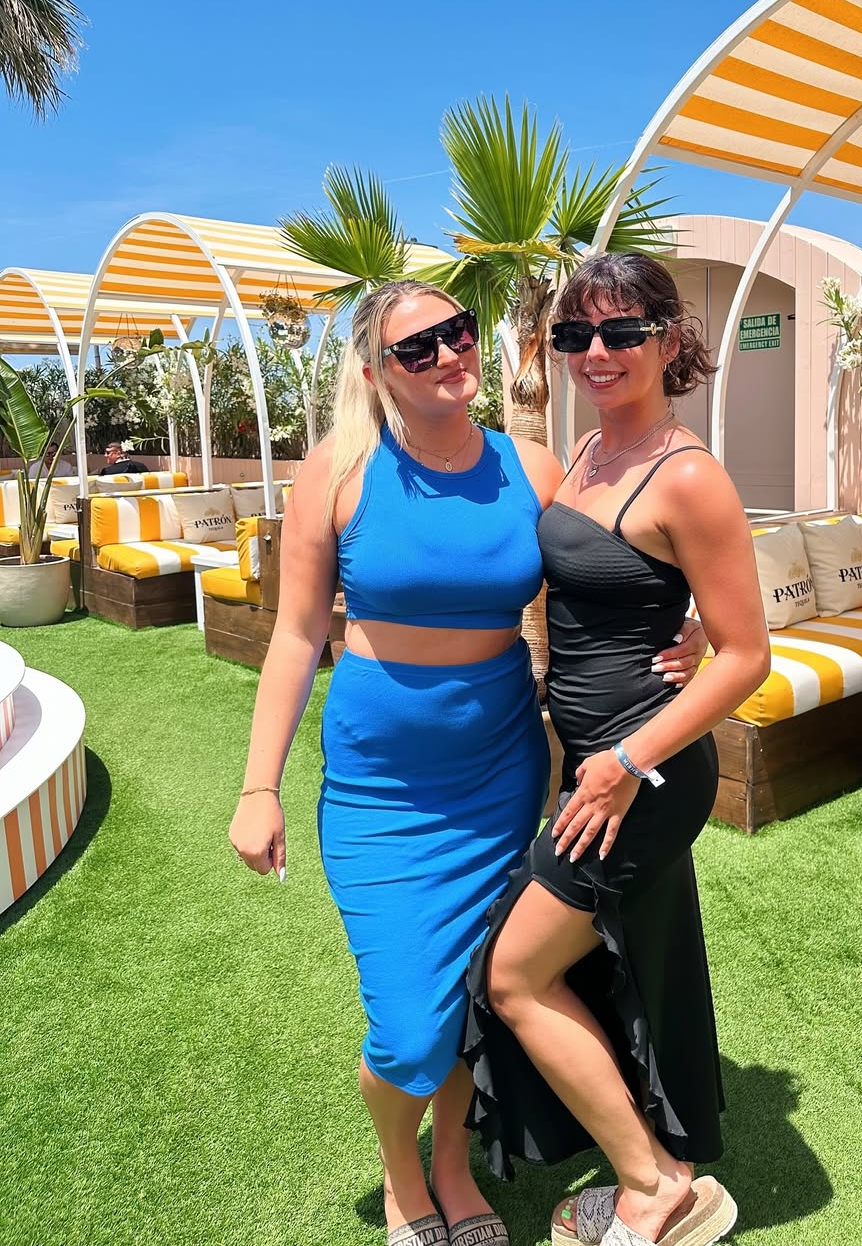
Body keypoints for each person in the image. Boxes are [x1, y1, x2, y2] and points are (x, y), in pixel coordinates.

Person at [227, 279, 705, 1246]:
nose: (448, 355)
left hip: (499, 774)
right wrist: (258, 784)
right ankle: (401, 1177)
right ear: (377, 373)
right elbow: (296, 633)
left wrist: (689, 621)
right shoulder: (337, 469)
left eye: (457, 332)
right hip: (381, 787)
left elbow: (613, 561)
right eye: (418, 348)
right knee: (409, 1021)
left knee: (468, 987)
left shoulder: (530, 464)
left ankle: (450, 1163)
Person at [463, 254, 771, 1246]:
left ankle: (655, 1187)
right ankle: (657, 1154)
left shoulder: (688, 474)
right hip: (592, 760)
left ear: (668, 340)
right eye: (574, 334)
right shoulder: (591, 451)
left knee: (515, 974)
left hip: (643, 774)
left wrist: (628, 760)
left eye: (621, 331)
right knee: (612, 962)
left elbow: (749, 655)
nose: (595, 352)